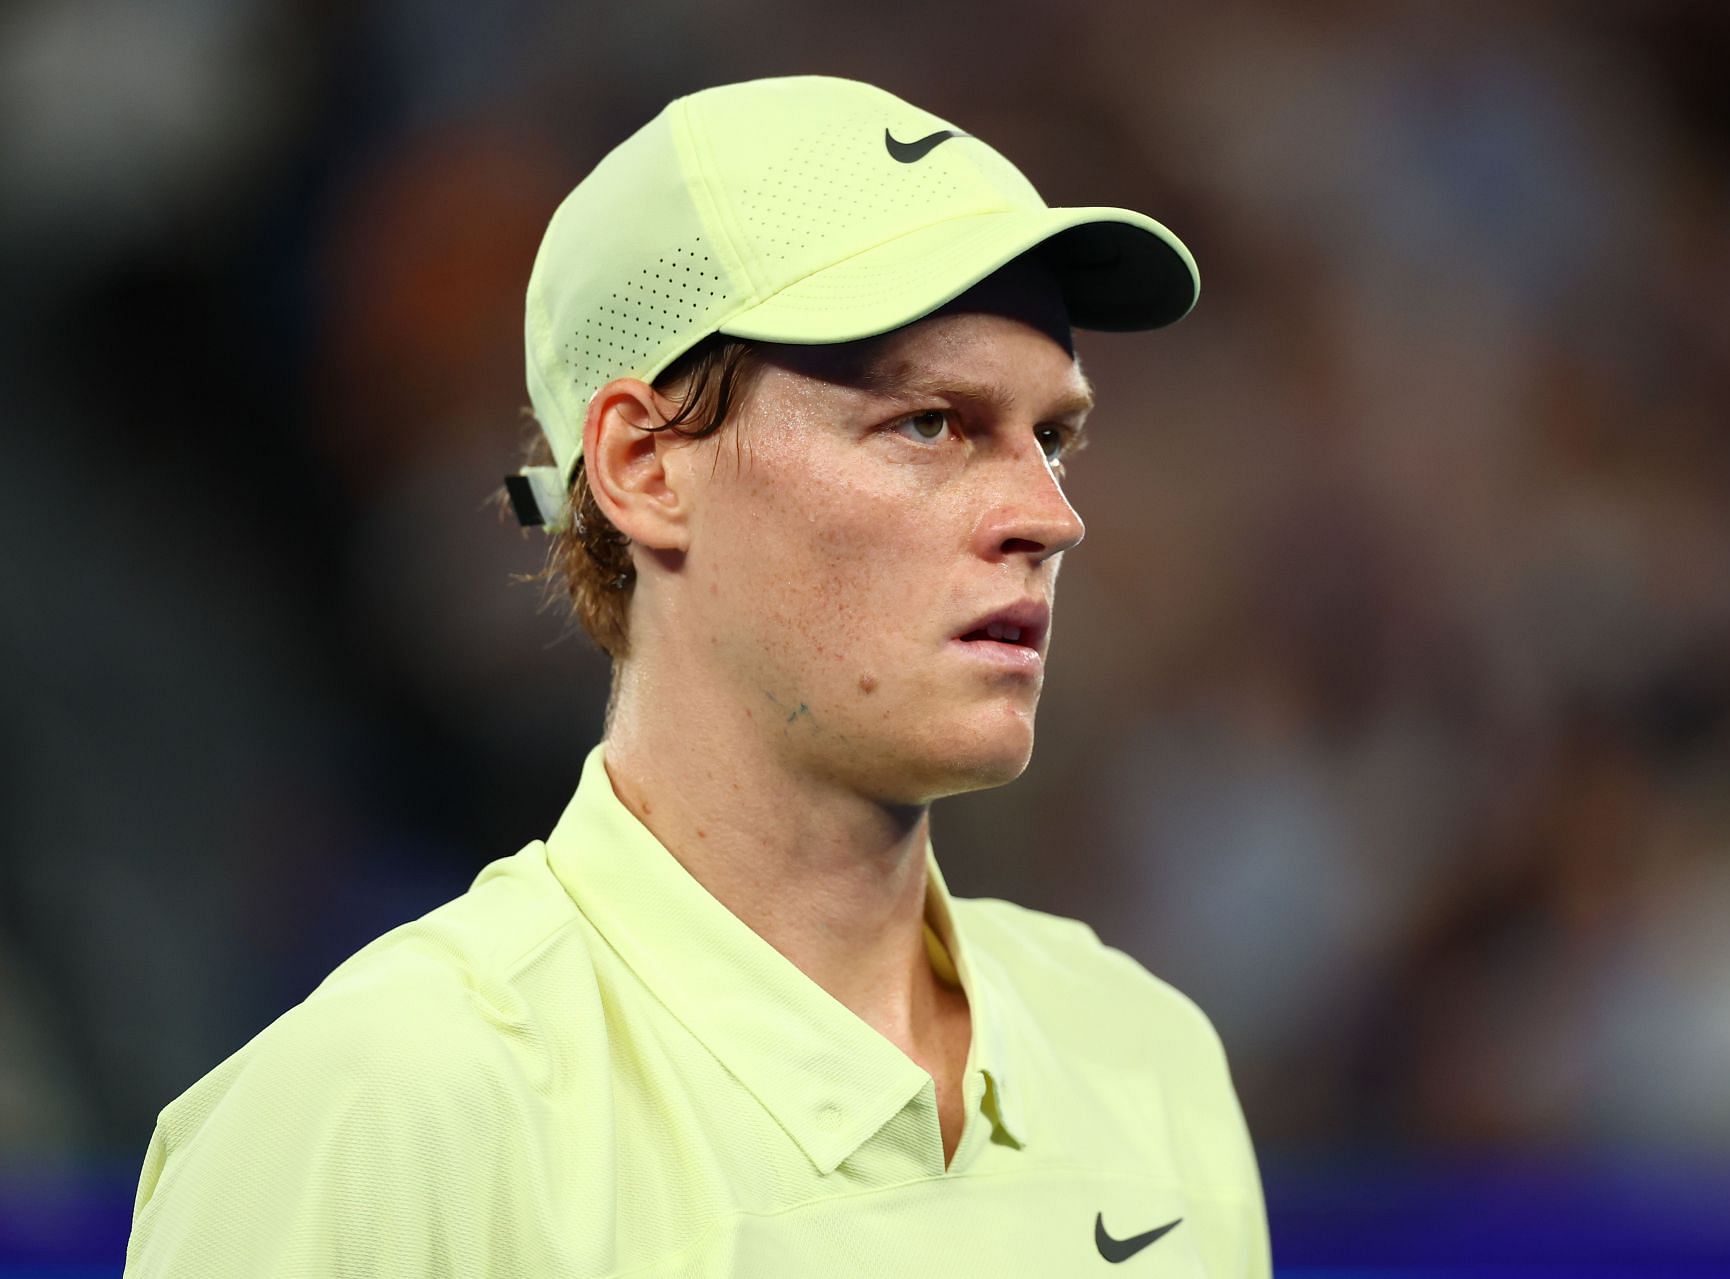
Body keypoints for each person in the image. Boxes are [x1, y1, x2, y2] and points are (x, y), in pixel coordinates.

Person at [125, 75, 1268, 1276]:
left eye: (1053, 437)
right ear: (643, 467)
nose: (1050, 516)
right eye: (931, 423)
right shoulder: (376, 1119)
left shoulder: (1149, 1057)